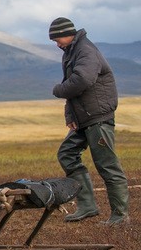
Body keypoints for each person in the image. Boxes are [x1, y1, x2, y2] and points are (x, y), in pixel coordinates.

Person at [49, 17, 129, 225]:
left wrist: (58, 90)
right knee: (67, 154)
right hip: (83, 118)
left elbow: (81, 81)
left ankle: (120, 217)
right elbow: (73, 88)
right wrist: (70, 116)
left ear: (68, 34)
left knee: (107, 165)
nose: (57, 44)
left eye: (58, 39)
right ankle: (87, 205)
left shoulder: (85, 50)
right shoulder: (71, 52)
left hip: (98, 118)